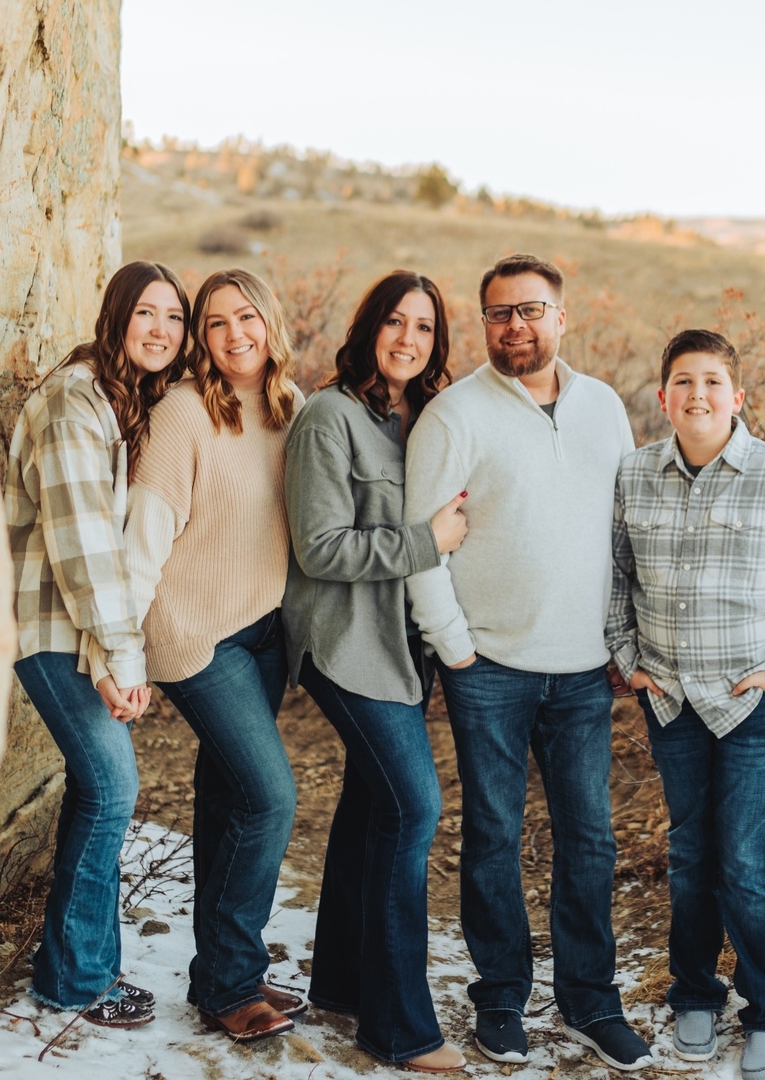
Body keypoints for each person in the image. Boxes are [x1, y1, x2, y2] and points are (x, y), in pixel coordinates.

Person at [403, 253, 653, 1070]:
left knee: (589, 840)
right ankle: (502, 997)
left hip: (584, 672)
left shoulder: (604, 408)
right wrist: (457, 648)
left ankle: (589, 1001)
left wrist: (623, 640)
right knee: (493, 834)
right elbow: (419, 547)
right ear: (485, 325)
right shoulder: (453, 415)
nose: (516, 326)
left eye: (532, 309)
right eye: (499, 314)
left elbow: (623, 532)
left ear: (562, 316)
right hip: (492, 670)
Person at [606, 329, 765, 1080]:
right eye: (683, 382)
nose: (697, 395)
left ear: (737, 396)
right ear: (663, 398)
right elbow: (615, 579)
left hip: (760, 705)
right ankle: (694, 993)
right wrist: (629, 660)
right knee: (689, 856)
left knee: (747, 863)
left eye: (712, 382)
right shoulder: (635, 474)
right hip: (673, 699)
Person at [105, 267, 305, 1042]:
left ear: (270, 321)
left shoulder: (291, 410)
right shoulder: (185, 412)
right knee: (270, 797)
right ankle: (232, 982)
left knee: (228, 802)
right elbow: (142, 542)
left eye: (246, 317)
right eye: (215, 323)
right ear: (199, 338)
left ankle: (221, 978)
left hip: (263, 632)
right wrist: (123, 650)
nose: (233, 336)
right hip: (194, 631)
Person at [283, 271, 469, 1073]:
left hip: (402, 650)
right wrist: (430, 541)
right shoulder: (329, 418)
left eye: (424, 328)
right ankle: (398, 1028)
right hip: (342, 642)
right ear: (368, 328)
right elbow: (319, 548)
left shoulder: (419, 418)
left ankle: (341, 982)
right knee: (411, 808)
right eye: (395, 321)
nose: (408, 338)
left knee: (370, 808)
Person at [5, 260, 190, 1027]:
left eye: (174, 319)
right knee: (113, 789)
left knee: (98, 788)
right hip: (53, 629)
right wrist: (119, 657)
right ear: (114, 316)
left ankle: (74, 965)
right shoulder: (74, 404)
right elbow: (85, 548)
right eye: (145, 313)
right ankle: (77, 979)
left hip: (77, 627)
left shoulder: (117, 400)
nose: (161, 331)